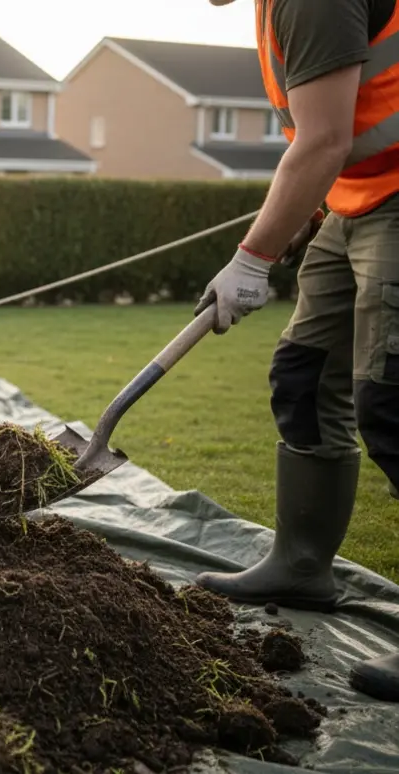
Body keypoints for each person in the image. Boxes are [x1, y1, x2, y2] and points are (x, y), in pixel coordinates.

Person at [194, 0, 399, 703]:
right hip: (360, 202)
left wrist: (253, 259)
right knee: (304, 377)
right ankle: (303, 563)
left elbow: (322, 140)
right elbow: (338, 125)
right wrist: (307, 205)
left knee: (393, 402)